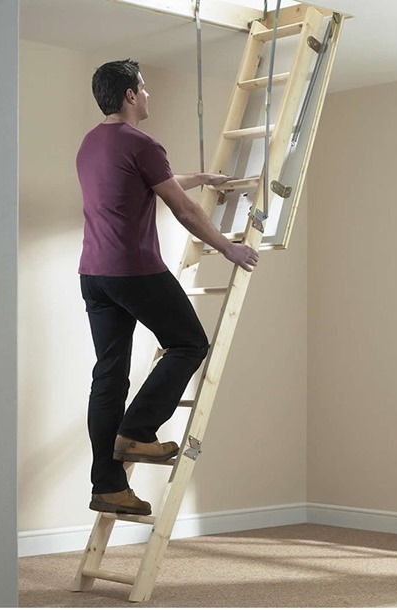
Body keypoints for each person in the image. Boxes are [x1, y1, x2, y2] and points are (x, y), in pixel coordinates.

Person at [76, 59, 259, 516]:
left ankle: (108, 486)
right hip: (133, 268)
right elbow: (183, 211)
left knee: (109, 376)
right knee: (188, 343)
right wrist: (227, 247)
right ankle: (137, 431)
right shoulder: (142, 143)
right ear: (132, 95)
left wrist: (199, 179)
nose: (149, 95)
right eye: (145, 88)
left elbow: (143, 188)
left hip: (94, 274)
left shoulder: (91, 143)